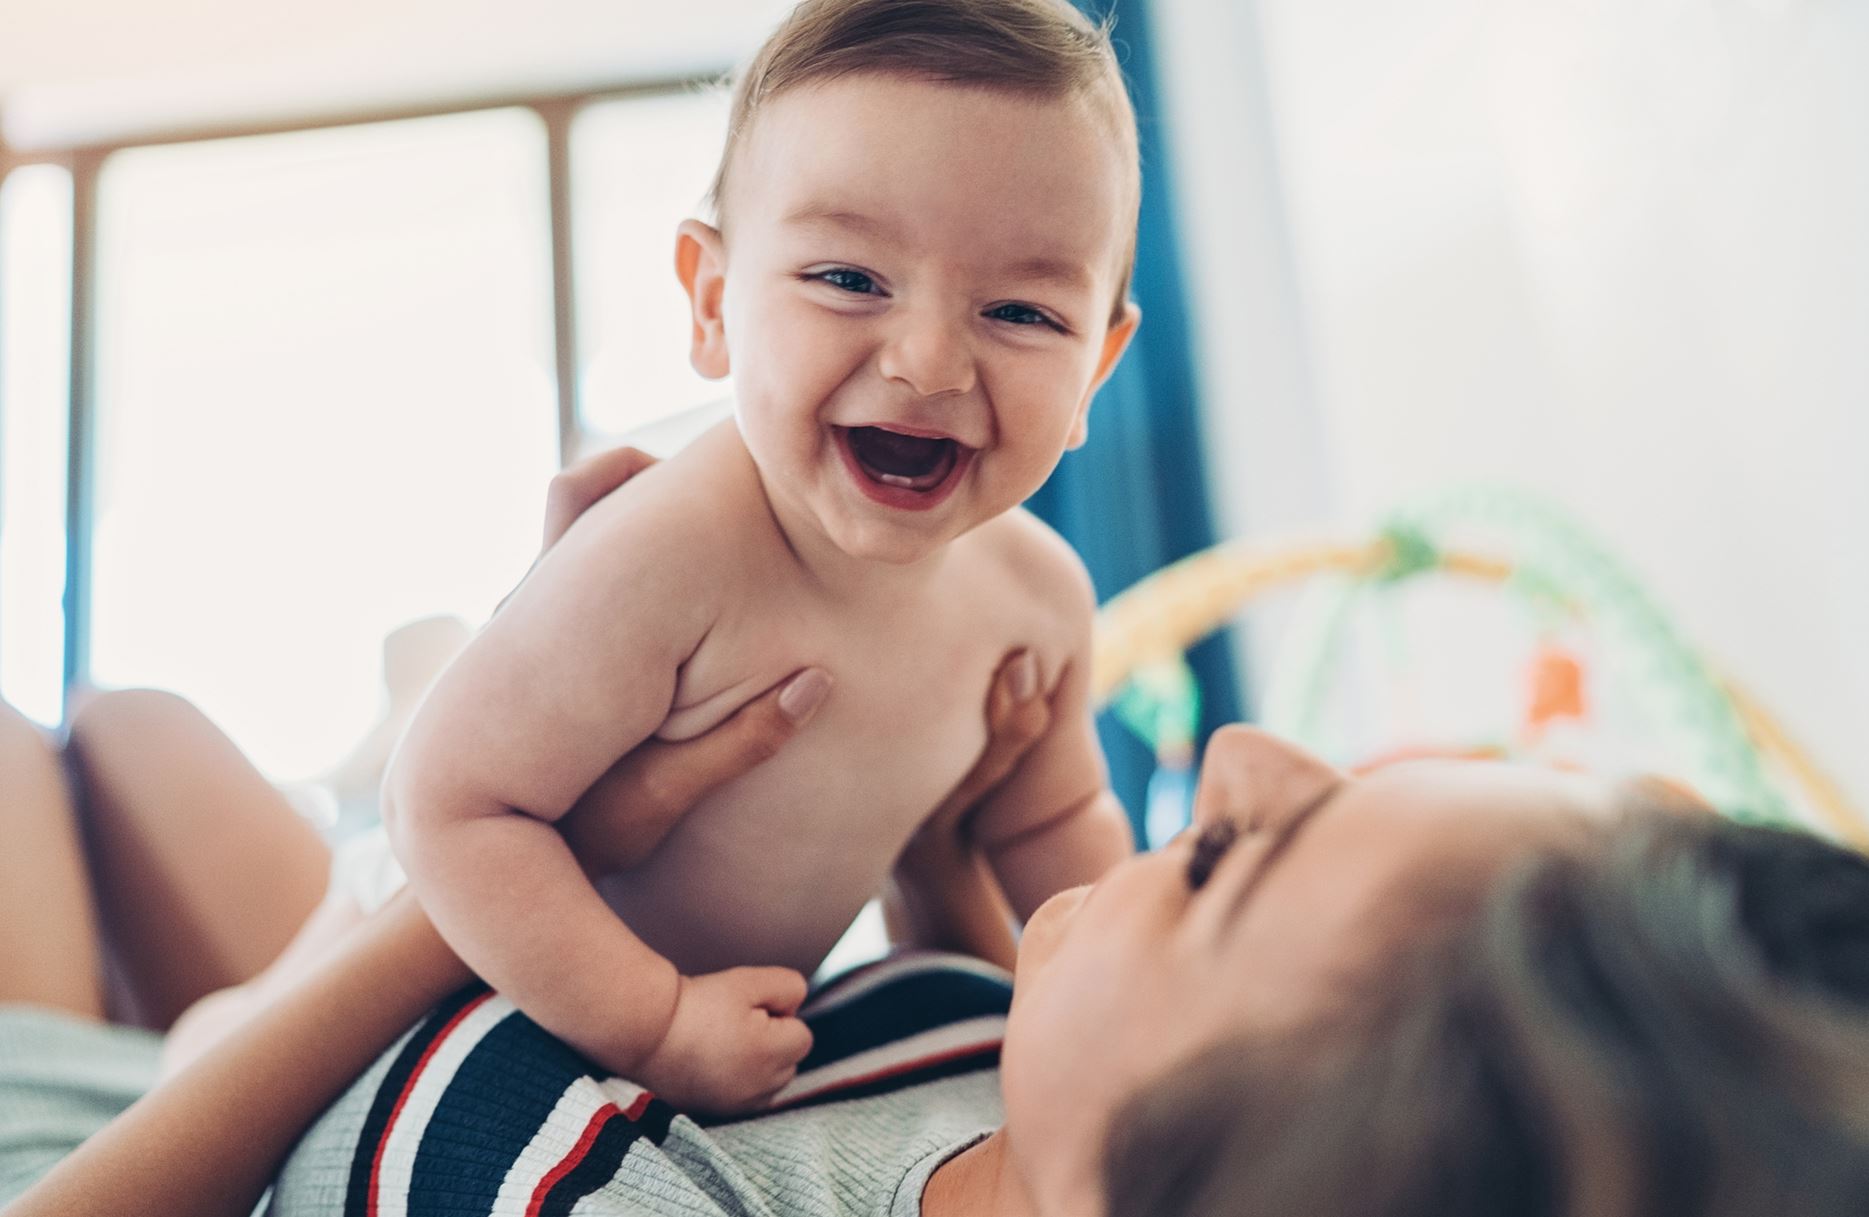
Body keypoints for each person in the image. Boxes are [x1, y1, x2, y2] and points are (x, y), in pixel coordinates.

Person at [10, 688, 1869, 1217]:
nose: (1221, 754)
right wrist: (926, 809)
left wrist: (466, 885)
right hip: (288, 1016)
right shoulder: (1056, 1082)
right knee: (143, 729)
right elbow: (971, 1061)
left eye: (1224, 858)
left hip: (115, 1133)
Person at [353, 0, 1147, 1115]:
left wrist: (1149, 997)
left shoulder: (1038, 599)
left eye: (1019, 309)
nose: (926, 362)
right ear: (716, 301)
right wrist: (654, 1016)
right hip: (454, 963)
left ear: (1098, 370)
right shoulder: (665, 555)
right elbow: (445, 802)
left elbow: (1049, 824)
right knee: (216, 1028)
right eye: (849, 279)